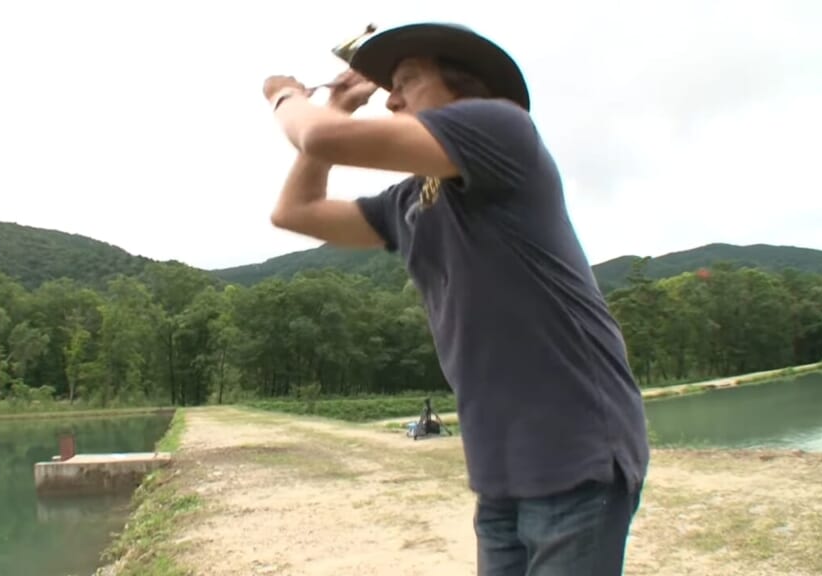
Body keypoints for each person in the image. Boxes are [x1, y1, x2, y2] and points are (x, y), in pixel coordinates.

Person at [262, 22, 650, 576]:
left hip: (576, 444)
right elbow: (295, 212)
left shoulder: (502, 127)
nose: (390, 99)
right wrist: (340, 105)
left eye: (407, 80)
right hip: (499, 466)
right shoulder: (409, 199)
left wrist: (286, 96)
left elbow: (319, 137)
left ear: (465, 89)